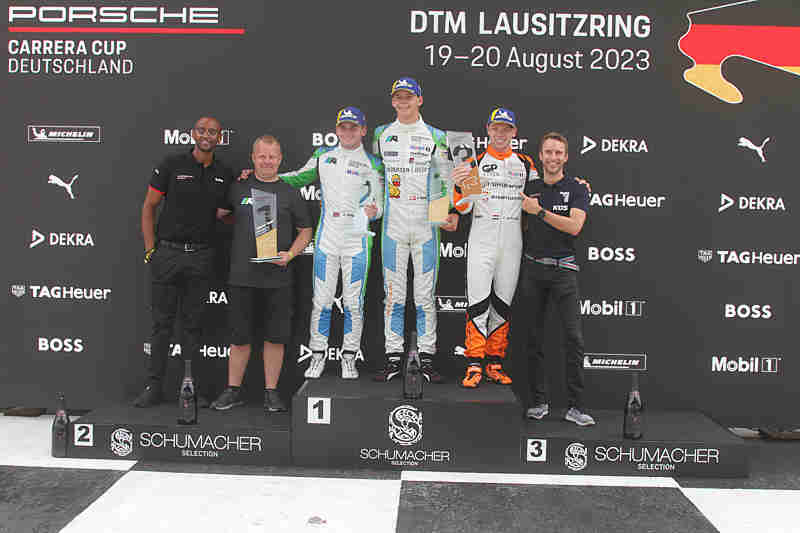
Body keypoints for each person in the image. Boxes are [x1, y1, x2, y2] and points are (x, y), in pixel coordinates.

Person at [243, 107, 384, 379]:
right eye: (343, 127)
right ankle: (317, 356)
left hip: (357, 240)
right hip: (327, 238)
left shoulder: (374, 163)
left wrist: (374, 212)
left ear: (363, 130)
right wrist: (260, 176)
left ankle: (349, 358)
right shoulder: (323, 155)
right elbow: (298, 177)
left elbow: (382, 205)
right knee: (321, 301)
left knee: (354, 303)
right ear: (337, 129)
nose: (348, 132)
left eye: (353, 127)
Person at [135, 116, 233, 407]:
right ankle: (153, 387)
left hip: (201, 256)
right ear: (193, 134)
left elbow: (226, 213)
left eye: (212, 132)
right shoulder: (172, 164)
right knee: (161, 325)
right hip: (168, 254)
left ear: (219, 138)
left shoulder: (224, 173)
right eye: (202, 130)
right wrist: (151, 250)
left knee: (193, 327)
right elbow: (149, 206)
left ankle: (190, 389)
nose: (207, 135)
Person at [210, 135, 312, 413]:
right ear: (253, 158)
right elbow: (221, 214)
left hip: (278, 279)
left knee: (275, 338)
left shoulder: (290, 192)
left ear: (280, 159)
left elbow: (305, 230)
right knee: (239, 338)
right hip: (242, 276)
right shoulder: (238, 187)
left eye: (272, 156)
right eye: (262, 156)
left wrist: (290, 254)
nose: (267, 161)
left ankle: (271, 392)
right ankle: (232, 390)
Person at [372, 77, 458, 383]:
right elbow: (375, 177)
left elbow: (445, 179)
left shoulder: (436, 135)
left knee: (424, 297)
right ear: (392, 101)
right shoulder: (381, 134)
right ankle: (393, 357)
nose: (403, 101)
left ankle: (427, 358)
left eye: (409, 96)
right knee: (393, 296)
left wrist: (448, 212)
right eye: (398, 97)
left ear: (420, 100)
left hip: (426, 226)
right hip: (393, 226)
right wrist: (373, 207)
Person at [451, 108, 536, 388]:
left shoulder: (524, 163)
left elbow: (542, 192)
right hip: (482, 238)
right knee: (478, 302)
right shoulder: (474, 162)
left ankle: (494, 362)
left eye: (506, 128)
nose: (501, 133)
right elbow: (463, 208)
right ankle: (474, 363)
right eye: (496, 128)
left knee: (502, 302)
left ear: (514, 132)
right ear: (488, 129)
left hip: (512, 240)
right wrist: (460, 185)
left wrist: (575, 186)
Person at [514, 132, 595, 426]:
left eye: (558, 153)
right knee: (533, 337)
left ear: (566, 157)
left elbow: (574, 226)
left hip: (564, 271)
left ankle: (576, 406)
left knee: (574, 339)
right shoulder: (530, 188)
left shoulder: (577, 188)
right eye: (548, 152)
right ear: (540, 155)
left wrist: (539, 212)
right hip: (534, 270)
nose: (553, 157)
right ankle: (538, 402)